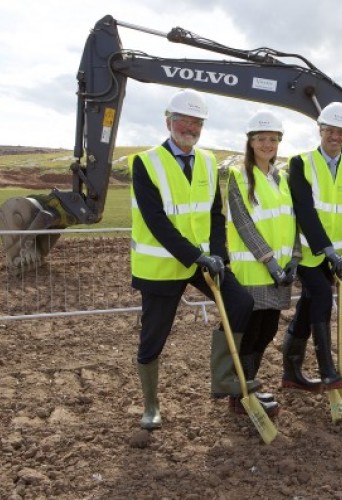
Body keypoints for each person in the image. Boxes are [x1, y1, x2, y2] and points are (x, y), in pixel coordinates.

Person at [129, 89, 272, 430]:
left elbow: (214, 213)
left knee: (240, 302)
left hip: (203, 261)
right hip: (161, 266)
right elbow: (157, 222)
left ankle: (223, 378)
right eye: (184, 121)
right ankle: (150, 405)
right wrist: (197, 256)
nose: (190, 127)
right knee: (154, 336)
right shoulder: (146, 162)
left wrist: (218, 255)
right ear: (169, 122)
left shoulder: (208, 161)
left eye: (196, 123)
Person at [283, 101, 342, 392]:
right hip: (309, 253)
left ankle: (291, 371)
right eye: (331, 130)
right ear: (320, 130)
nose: (336, 136)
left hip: (340, 256)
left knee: (308, 307)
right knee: (320, 296)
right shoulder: (301, 163)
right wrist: (327, 250)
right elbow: (305, 211)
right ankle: (327, 369)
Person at [225, 110, 300, 416]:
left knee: (268, 330)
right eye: (261, 139)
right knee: (251, 330)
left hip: (280, 272)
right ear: (251, 142)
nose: (267, 144)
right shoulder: (238, 175)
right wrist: (269, 262)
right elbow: (243, 224)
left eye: (273, 138)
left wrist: (294, 258)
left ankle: (250, 384)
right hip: (256, 270)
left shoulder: (281, 178)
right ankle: (240, 393)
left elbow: (292, 221)